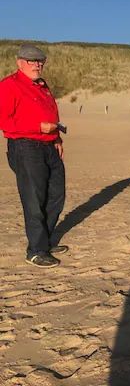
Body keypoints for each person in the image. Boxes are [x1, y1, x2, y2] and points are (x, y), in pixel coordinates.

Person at [0, 44, 68, 268]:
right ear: (20, 62)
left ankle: (44, 241)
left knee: (56, 195)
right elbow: (5, 121)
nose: (38, 65)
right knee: (34, 200)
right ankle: (36, 250)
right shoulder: (9, 85)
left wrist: (56, 137)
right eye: (32, 61)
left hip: (49, 146)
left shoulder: (41, 85)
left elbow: (51, 114)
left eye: (40, 61)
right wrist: (39, 126)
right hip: (26, 147)